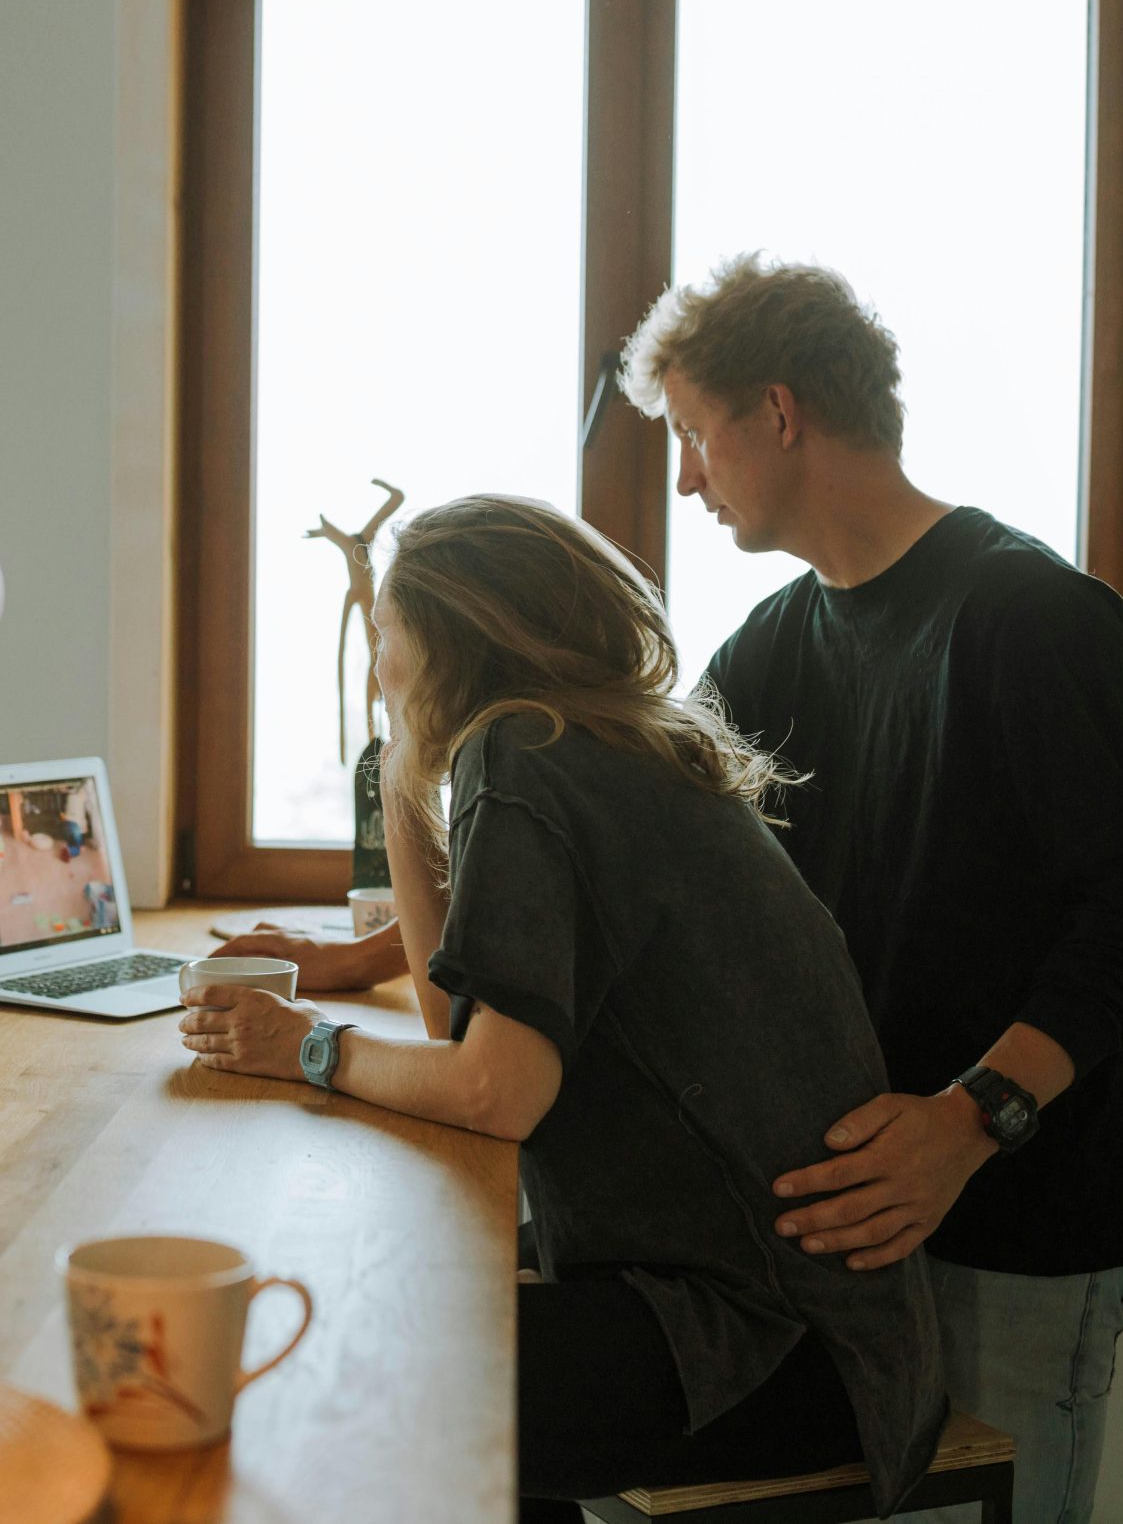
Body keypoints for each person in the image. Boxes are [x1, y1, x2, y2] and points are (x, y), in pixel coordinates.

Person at [178, 495, 946, 1522]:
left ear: (447, 638)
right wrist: (407, 760)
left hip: (757, 1345)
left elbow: (497, 1090)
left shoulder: (523, 753)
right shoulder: (605, 743)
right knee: (403, 1323)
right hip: (822, 1336)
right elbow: (461, 1028)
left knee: (326, 1372)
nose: (378, 668)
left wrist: (309, 1048)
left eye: (388, 637)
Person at [616, 255, 1123, 1524]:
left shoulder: (1032, 616)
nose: (682, 477)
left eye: (688, 433)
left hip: (1018, 1221)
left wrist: (964, 1122)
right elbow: (640, 852)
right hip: (858, 1232)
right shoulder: (776, 640)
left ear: (776, 414)